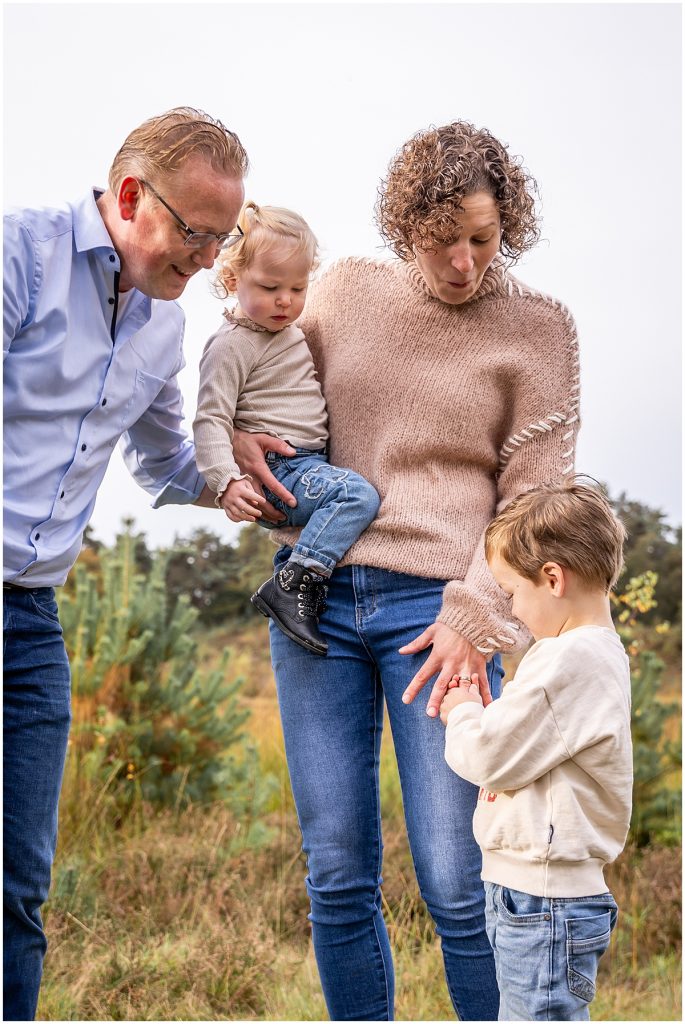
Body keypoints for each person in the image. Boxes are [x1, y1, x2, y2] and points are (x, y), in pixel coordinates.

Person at [231, 120, 582, 1021]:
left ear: (509, 226)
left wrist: (474, 618)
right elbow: (269, 387)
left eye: (482, 239)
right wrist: (232, 435)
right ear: (403, 226)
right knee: (338, 872)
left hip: (438, 616)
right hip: (314, 605)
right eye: (441, 241)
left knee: (458, 879)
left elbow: (533, 499)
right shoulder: (342, 294)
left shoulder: (538, 332)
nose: (461, 263)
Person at [3, 107, 247, 1021]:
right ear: (133, 197)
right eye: (196, 233)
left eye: (223, 240)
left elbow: (164, 464)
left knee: (19, 889)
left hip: (31, 625)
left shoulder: (160, 331)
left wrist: (246, 474)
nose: (208, 260)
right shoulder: (19, 257)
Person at [440, 480, 632, 1021]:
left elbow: (489, 755)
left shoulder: (567, 660)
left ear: (552, 577)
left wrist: (462, 713)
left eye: (510, 592)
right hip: (534, 893)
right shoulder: (586, 655)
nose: (511, 609)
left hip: (544, 900)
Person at [193, 202, 380, 655]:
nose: (285, 300)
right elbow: (210, 418)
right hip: (282, 470)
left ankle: (298, 581)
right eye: (271, 286)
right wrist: (226, 483)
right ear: (232, 281)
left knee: (350, 493)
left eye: (298, 287)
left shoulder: (287, 331)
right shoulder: (233, 344)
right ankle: (294, 584)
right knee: (356, 495)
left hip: (305, 462)